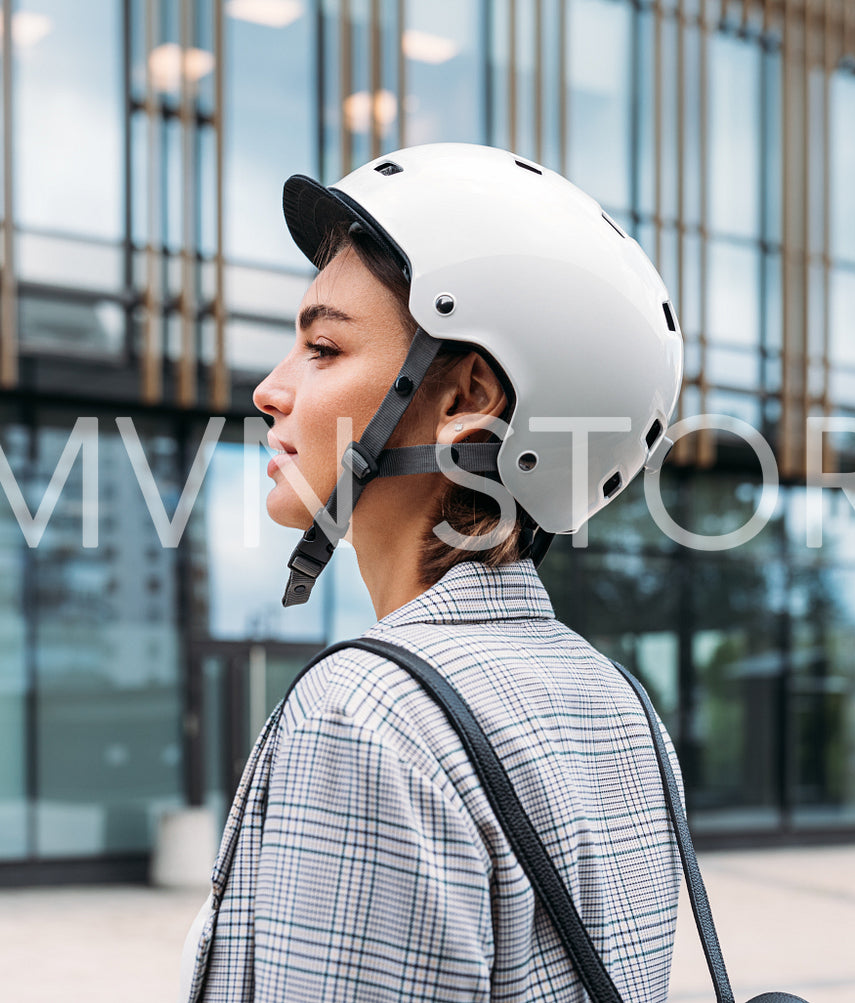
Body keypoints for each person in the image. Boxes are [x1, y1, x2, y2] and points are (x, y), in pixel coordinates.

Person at [184, 142, 687, 1002]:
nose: (271, 390)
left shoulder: (363, 715)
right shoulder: (618, 702)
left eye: (324, 350)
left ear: (464, 401)